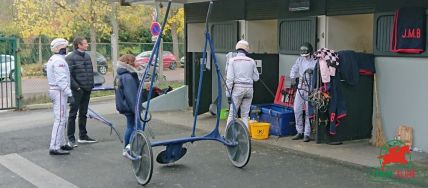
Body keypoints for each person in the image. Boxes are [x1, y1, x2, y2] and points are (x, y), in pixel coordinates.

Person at [66, 37, 96, 147]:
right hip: (77, 91)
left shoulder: (87, 56)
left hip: (87, 89)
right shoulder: (70, 58)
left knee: (83, 113)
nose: (87, 45)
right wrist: (77, 87)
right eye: (85, 43)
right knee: (72, 114)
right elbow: (68, 75)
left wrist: (91, 85)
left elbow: (90, 72)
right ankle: (71, 138)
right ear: (79, 45)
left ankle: (83, 136)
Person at [47, 38, 74, 155]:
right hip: (59, 92)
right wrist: (69, 93)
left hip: (56, 91)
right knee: (60, 119)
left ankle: (62, 143)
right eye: (66, 47)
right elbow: (61, 80)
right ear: (61, 48)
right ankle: (54, 146)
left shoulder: (54, 59)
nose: (67, 49)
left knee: (62, 118)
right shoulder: (59, 61)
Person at [225, 40, 260, 129]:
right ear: (246, 50)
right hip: (249, 89)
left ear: (237, 49)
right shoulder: (252, 61)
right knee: (245, 115)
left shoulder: (232, 61)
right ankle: (245, 137)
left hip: (238, 88)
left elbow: (229, 79)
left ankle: (227, 135)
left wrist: (228, 94)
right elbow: (256, 78)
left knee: (232, 114)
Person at [115, 54, 142, 158]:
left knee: (130, 126)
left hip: (124, 105)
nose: (136, 63)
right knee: (137, 127)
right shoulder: (128, 77)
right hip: (130, 107)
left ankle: (126, 148)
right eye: (134, 61)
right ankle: (129, 148)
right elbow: (131, 95)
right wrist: (136, 109)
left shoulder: (119, 75)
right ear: (129, 63)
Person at [290, 42, 317, 142]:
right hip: (301, 87)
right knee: (297, 109)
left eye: (307, 55)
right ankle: (299, 131)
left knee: (308, 111)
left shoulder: (315, 61)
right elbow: (294, 68)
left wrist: (313, 72)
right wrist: (292, 78)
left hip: (311, 88)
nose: (305, 57)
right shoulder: (300, 59)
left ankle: (307, 133)